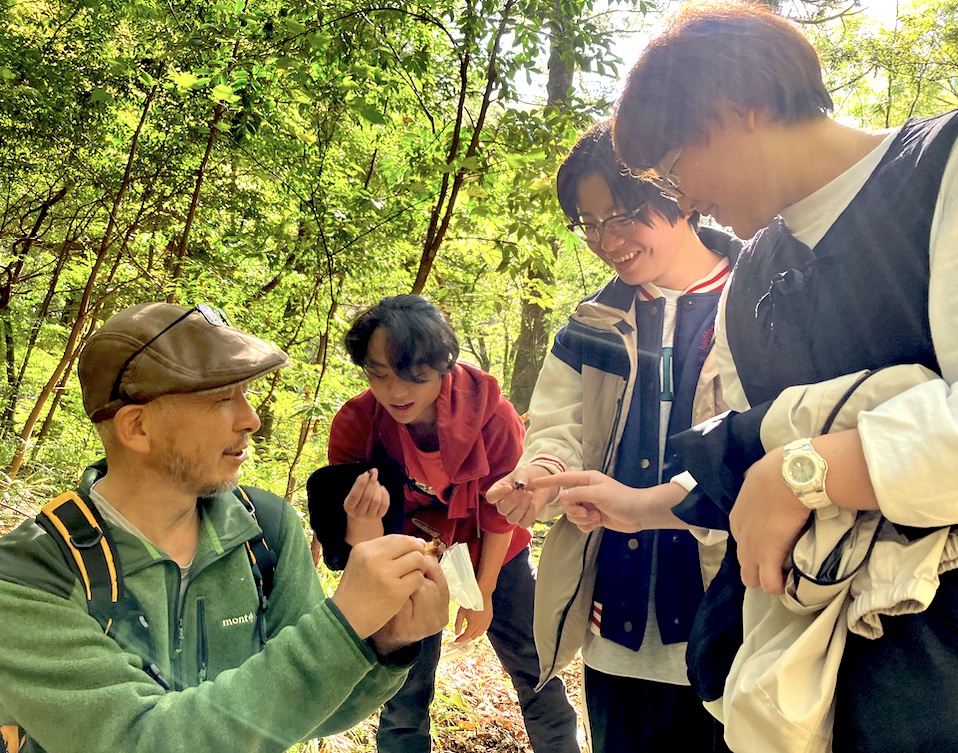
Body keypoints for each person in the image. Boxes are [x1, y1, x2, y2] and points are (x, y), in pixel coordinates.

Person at [608, 2, 958, 750]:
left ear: (741, 106)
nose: (684, 201)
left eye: (676, 169)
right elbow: (751, 487)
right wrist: (634, 506)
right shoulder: (748, 284)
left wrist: (806, 470)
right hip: (820, 691)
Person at [0, 302, 450, 753]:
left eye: (246, 394)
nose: (251, 419)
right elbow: (141, 740)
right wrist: (344, 624)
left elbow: (308, 710)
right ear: (137, 427)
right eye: (221, 398)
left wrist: (383, 641)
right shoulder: (28, 578)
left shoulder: (264, 529)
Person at [487, 120, 741, 753]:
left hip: (732, 615)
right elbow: (560, 426)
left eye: (622, 216)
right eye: (590, 223)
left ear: (678, 194)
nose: (607, 240)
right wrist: (541, 472)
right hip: (616, 626)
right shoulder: (594, 323)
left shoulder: (758, 302)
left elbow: (763, 444)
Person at [313, 294, 580, 753]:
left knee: (535, 668)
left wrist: (484, 592)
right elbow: (361, 540)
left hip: (493, 545)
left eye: (414, 376)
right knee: (404, 682)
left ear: (442, 365)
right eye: (379, 374)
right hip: (407, 548)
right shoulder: (359, 422)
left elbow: (502, 513)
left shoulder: (491, 416)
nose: (396, 391)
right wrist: (358, 524)